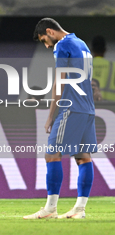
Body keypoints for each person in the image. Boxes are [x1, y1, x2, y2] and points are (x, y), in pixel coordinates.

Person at [23, 18, 96, 219]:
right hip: (88, 108)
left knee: (52, 154)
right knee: (83, 157)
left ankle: (50, 209)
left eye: (44, 40)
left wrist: (51, 115)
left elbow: (60, 81)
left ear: (50, 31)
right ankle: (79, 210)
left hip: (71, 108)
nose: (46, 45)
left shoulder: (62, 45)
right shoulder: (81, 44)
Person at [91, 35, 115, 101]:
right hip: (110, 107)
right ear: (105, 50)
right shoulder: (113, 66)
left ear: (92, 50)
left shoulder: (83, 66)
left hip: (88, 106)